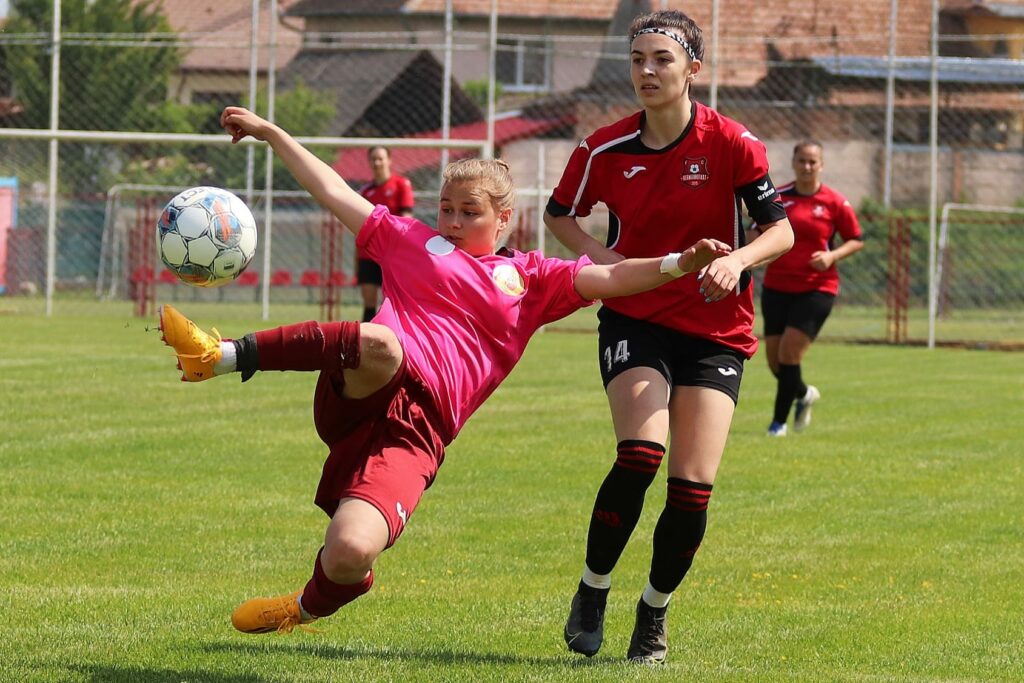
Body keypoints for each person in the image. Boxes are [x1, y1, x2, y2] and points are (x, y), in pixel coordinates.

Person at [157, 104, 737, 638]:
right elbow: (331, 189)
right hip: (366, 387)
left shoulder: (534, 279)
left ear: (505, 218)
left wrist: (677, 264)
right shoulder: (408, 239)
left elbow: (611, 280)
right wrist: (274, 135)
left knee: (351, 550)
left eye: (470, 212)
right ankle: (220, 355)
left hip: (419, 431)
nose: (453, 221)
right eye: (447, 209)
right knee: (384, 343)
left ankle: (304, 606)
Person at [543, 10, 794, 665]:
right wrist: (603, 264)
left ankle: (652, 612)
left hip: (716, 329)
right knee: (641, 453)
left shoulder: (733, 142)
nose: (647, 71)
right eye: (638, 60)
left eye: (662, 59)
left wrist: (738, 260)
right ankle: (593, 589)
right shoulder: (603, 148)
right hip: (636, 318)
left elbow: (782, 230)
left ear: (693, 71)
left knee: (691, 486)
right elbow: (559, 214)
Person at [755, 140, 864, 437]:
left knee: (790, 354)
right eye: (802, 160)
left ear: (821, 165)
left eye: (812, 162)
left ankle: (778, 423)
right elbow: (758, 230)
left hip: (817, 289)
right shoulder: (778, 197)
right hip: (777, 287)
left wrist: (831, 255)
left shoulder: (835, 202)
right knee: (776, 362)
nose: (807, 167)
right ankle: (804, 394)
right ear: (793, 162)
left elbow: (856, 238)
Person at [356, 146, 415, 321]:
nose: (377, 163)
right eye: (373, 159)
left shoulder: (401, 185)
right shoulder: (365, 191)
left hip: (391, 252)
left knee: (390, 301)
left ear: (389, 160)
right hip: (368, 252)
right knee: (369, 301)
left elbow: (406, 219)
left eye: (380, 158)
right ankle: (364, 342)